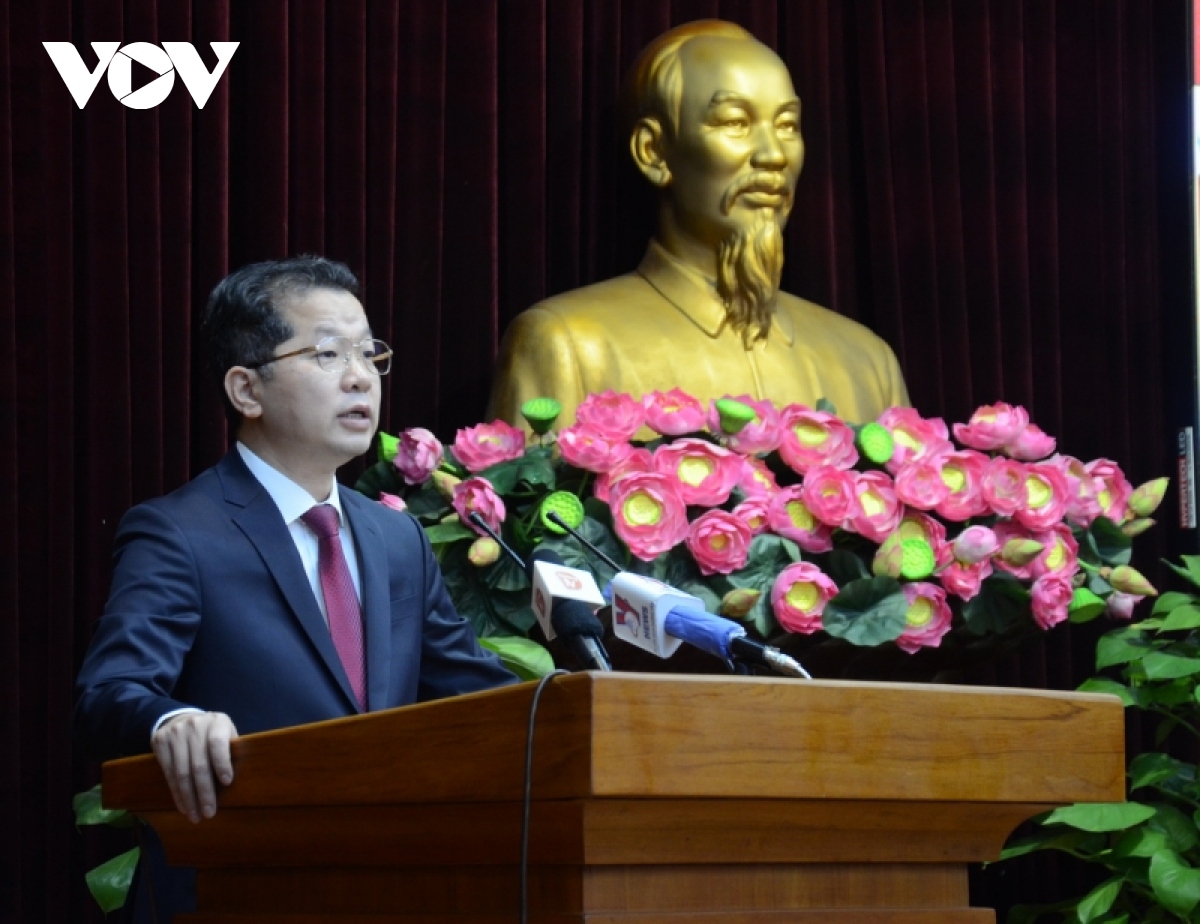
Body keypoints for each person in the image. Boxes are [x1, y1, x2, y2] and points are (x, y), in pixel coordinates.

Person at [74, 255, 517, 920]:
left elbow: (479, 696)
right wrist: (172, 719)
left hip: (381, 893)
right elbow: (109, 694)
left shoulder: (396, 541)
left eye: (369, 354)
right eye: (327, 353)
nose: (359, 376)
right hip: (230, 893)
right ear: (246, 391)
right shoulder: (179, 533)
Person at [488, 20, 909, 430]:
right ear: (653, 151)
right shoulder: (569, 347)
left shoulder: (869, 363)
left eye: (787, 125)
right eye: (735, 122)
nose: (774, 155)